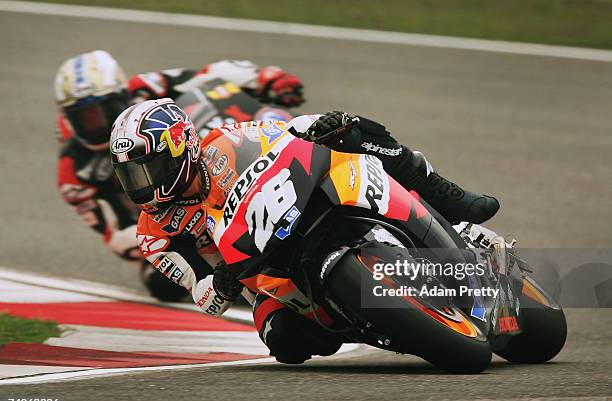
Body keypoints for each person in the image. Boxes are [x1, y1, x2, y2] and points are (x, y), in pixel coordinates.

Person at [109, 99, 499, 363]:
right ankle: (378, 323)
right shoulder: (154, 233)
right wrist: (221, 283)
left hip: (301, 203)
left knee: (352, 130)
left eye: (149, 168)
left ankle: (449, 201)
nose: (142, 184)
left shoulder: (225, 142)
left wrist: (320, 126)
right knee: (284, 342)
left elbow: (286, 131)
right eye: (131, 175)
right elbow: (205, 298)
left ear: (182, 148)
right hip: (258, 274)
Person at [54, 50, 304, 301]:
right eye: (83, 117)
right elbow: (116, 232)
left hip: (195, 165)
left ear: (122, 95)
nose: (95, 123)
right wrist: (166, 235)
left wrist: (267, 79)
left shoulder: (144, 89)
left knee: (238, 106)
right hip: (158, 218)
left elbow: (208, 75)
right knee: (161, 286)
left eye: (103, 110)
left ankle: (299, 152)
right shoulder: (74, 171)